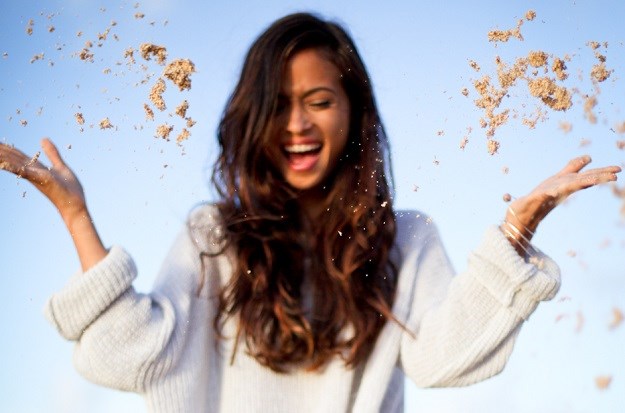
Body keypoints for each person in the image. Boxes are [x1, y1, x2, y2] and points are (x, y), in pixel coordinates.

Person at [0, 12, 620, 413]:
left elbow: (442, 358)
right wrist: (75, 215)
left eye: (319, 101)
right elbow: (124, 355)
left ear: (352, 111)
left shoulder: (406, 240)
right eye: (279, 105)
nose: (296, 124)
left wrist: (517, 229)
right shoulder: (215, 237)